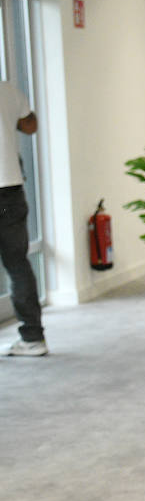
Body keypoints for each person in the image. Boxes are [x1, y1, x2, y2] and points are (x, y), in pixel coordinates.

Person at [0, 80, 45, 356]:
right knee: (18, 264)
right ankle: (33, 337)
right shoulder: (7, 89)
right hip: (10, 190)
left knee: (18, 266)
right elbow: (30, 125)